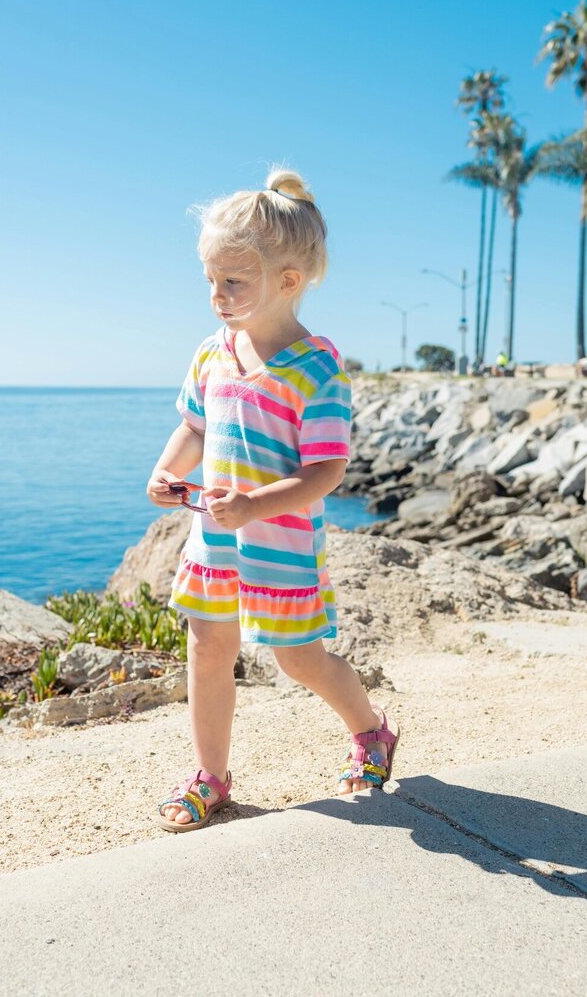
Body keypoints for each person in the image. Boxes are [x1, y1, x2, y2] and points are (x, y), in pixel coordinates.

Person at [147, 167, 400, 831]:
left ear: (288, 281)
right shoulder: (212, 355)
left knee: (299, 659)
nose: (216, 295)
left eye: (233, 281)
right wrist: (167, 471)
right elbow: (196, 427)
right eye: (209, 280)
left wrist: (257, 506)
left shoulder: (316, 371)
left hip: (281, 543)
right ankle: (210, 776)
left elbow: (326, 473)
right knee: (207, 647)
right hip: (216, 538)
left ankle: (371, 730)